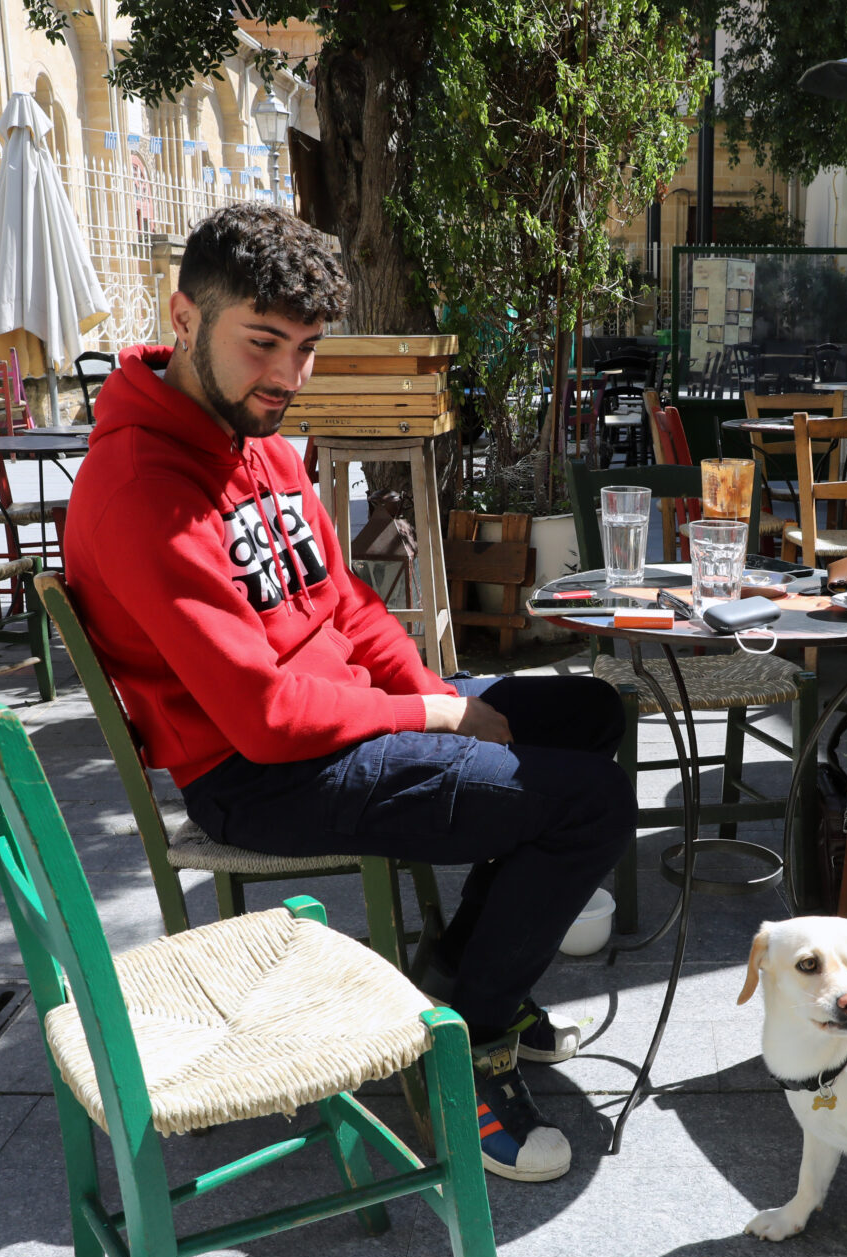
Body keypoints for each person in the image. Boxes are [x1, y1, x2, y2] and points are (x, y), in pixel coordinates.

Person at [63, 203, 635, 1184]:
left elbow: (348, 606)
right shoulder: (138, 489)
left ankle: (458, 979)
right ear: (183, 317)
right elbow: (264, 715)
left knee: (591, 713)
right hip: (257, 773)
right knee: (587, 804)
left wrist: (433, 693)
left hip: (338, 727)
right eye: (263, 343)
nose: (287, 376)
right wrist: (439, 715)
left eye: (307, 348)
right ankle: (470, 1041)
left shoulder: (265, 445)